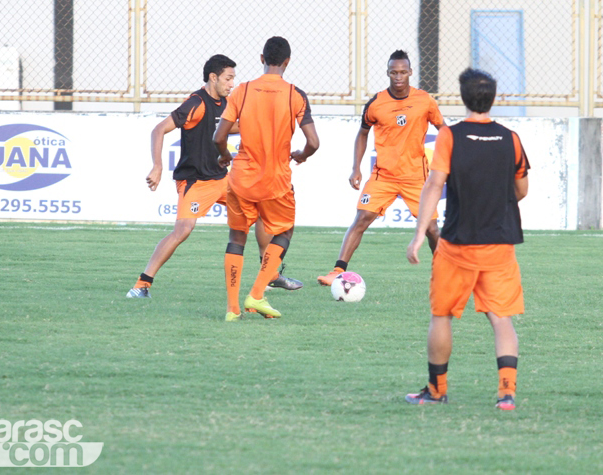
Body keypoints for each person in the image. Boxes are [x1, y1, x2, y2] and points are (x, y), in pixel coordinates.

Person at [126, 54, 302, 300]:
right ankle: (142, 284)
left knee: (264, 211)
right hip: (195, 181)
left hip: (223, 179)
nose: (232, 84)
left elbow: (240, 126)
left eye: (233, 79)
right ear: (213, 77)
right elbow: (159, 129)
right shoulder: (196, 103)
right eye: (228, 79)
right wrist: (157, 166)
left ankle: (271, 274)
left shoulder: (227, 104)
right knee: (183, 230)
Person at [404, 68, 530, 410]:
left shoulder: (450, 136)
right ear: (493, 98)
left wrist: (419, 235)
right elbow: (521, 189)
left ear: (463, 98)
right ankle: (507, 394)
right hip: (499, 244)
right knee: (501, 317)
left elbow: (434, 184)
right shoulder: (510, 138)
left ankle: (437, 390)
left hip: (457, 244)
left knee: (441, 315)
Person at [317, 50, 445, 286]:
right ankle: (337, 270)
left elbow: (444, 130)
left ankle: (445, 274)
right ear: (387, 73)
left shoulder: (424, 100)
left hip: (416, 177)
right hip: (383, 176)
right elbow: (363, 133)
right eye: (394, 72)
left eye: (403, 72)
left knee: (432, 229)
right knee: (362, 218)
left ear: (410, 73)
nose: (398, 77)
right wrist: (356, 168)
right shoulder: (376, 103)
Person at [213, 37, 319, 321]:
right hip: (276, 180)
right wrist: (302, 154)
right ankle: (257, 294)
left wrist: (224, 155)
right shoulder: (295, 94)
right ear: (287, 62)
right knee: (284, 232)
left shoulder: (243, 91)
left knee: (237, 237)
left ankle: (232, 309)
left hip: (241, 178)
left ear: (262, 58)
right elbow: (314, 142)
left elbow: (219, 136)